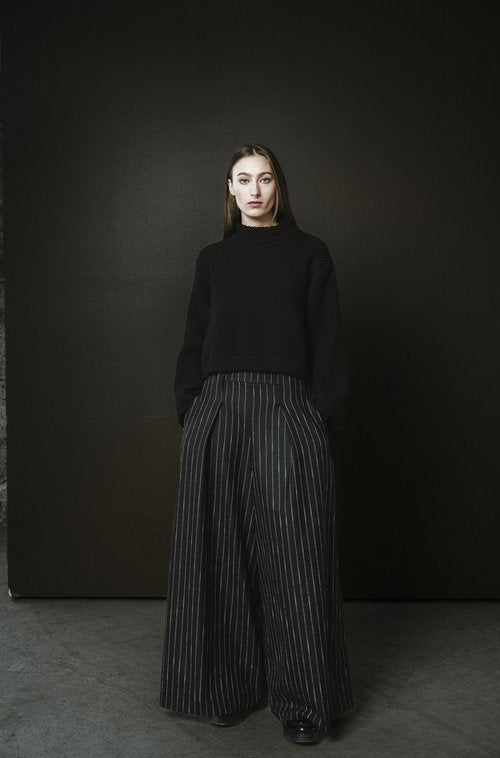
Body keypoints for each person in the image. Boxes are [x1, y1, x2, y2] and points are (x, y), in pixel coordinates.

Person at [160, 144, 353, 745]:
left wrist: (320, 415)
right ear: (229, 189)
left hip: (286, 406)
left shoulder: (308, 253)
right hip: (218, 408)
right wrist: (192, 409)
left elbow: (328, 341)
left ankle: (304, 702)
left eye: (264, 179)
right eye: (242, 179)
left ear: (278, 187)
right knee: (219, 555)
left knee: (295, 558)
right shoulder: (213, 259)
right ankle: (227, 689)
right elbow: (193, 341)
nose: (253, 190)